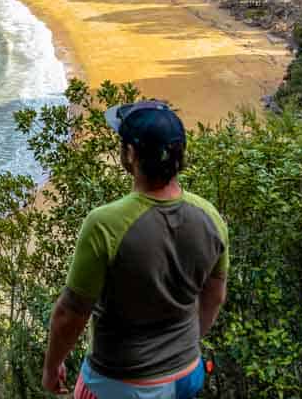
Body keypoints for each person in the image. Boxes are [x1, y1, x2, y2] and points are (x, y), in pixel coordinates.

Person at [41, 101, 229, 399]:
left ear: (130, 154)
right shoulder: (210, 217)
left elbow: (70, 314)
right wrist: (185, 347)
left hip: (120, 383)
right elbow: (215, 296)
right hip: (186, 374)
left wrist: (52, 368)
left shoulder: (105, 224)